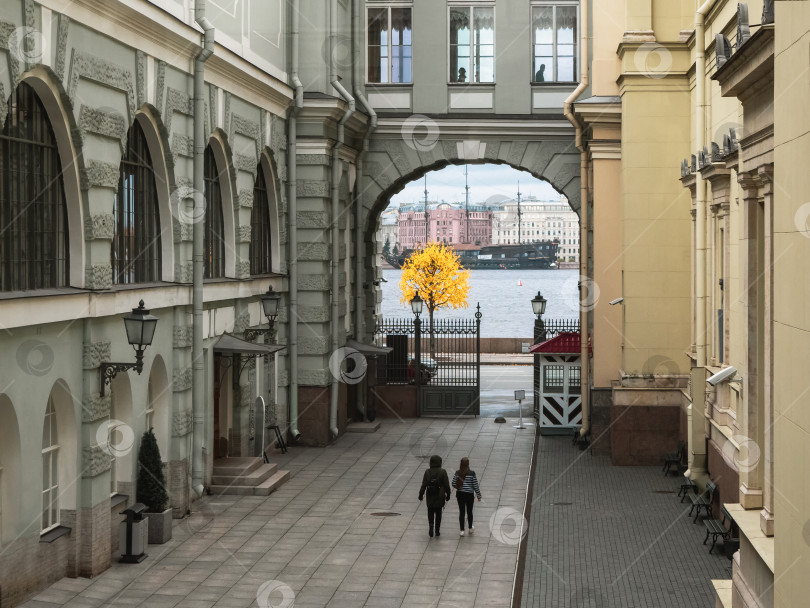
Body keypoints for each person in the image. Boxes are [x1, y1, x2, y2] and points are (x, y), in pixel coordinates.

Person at [418, 455, 451, 537]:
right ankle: (437, 530)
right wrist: (448, 494)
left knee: (430, 511)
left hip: (430, 494)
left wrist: (421, 495)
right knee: (439, 512)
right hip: (440, 494)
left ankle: (431, 526)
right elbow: (447, 485)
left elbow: (423, 485)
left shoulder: (427, 472)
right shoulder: (443, 471)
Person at [452, 457, 481, 536]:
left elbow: (453, 483)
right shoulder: (472, 473)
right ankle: (470, 528)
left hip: (460, 494)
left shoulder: (457, 473)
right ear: (468, 464)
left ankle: (462, 530)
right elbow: (475, 485)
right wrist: (478, 495)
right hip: (469, 495)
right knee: (469, 511)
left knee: (462, 512)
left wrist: (459, 487)